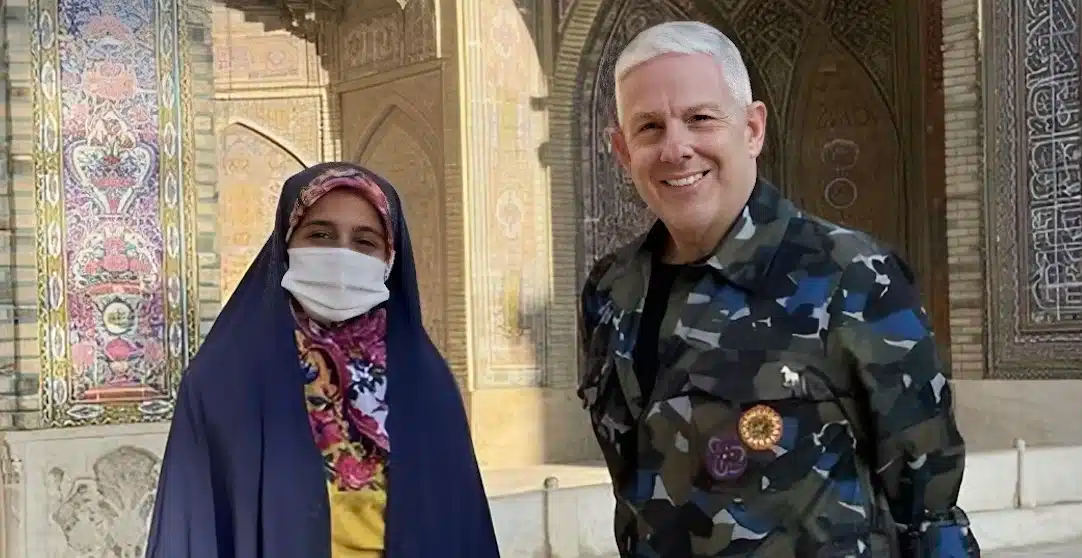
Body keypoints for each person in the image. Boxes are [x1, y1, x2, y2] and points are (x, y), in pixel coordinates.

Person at [577, 21, 980, 558]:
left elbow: (928, 513)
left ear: (752, 129)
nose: (676, 148)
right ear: (623, 151)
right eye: (649, 127)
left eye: (700, 119)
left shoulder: (852, 278)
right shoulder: (611, 291)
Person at [146, 162, 501, 558]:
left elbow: (461, 524)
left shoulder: (426, 380)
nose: (341, 255)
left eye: (364, 242)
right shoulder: (224, 379)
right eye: (320, 235)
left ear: (389, 258)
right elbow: (193, 525)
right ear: (286, 243)